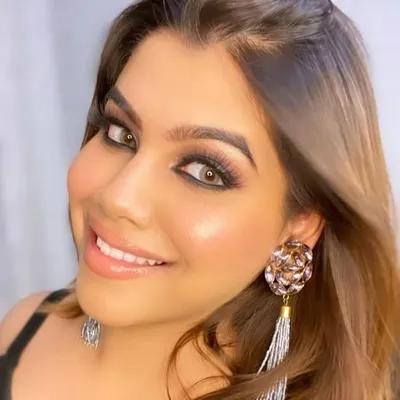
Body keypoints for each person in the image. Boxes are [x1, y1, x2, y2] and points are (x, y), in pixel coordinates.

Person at [0, 0, 399, 399]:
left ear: (300, 224)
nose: (119, 198)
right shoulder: (24, 328)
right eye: (121, 133)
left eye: (205, 171)